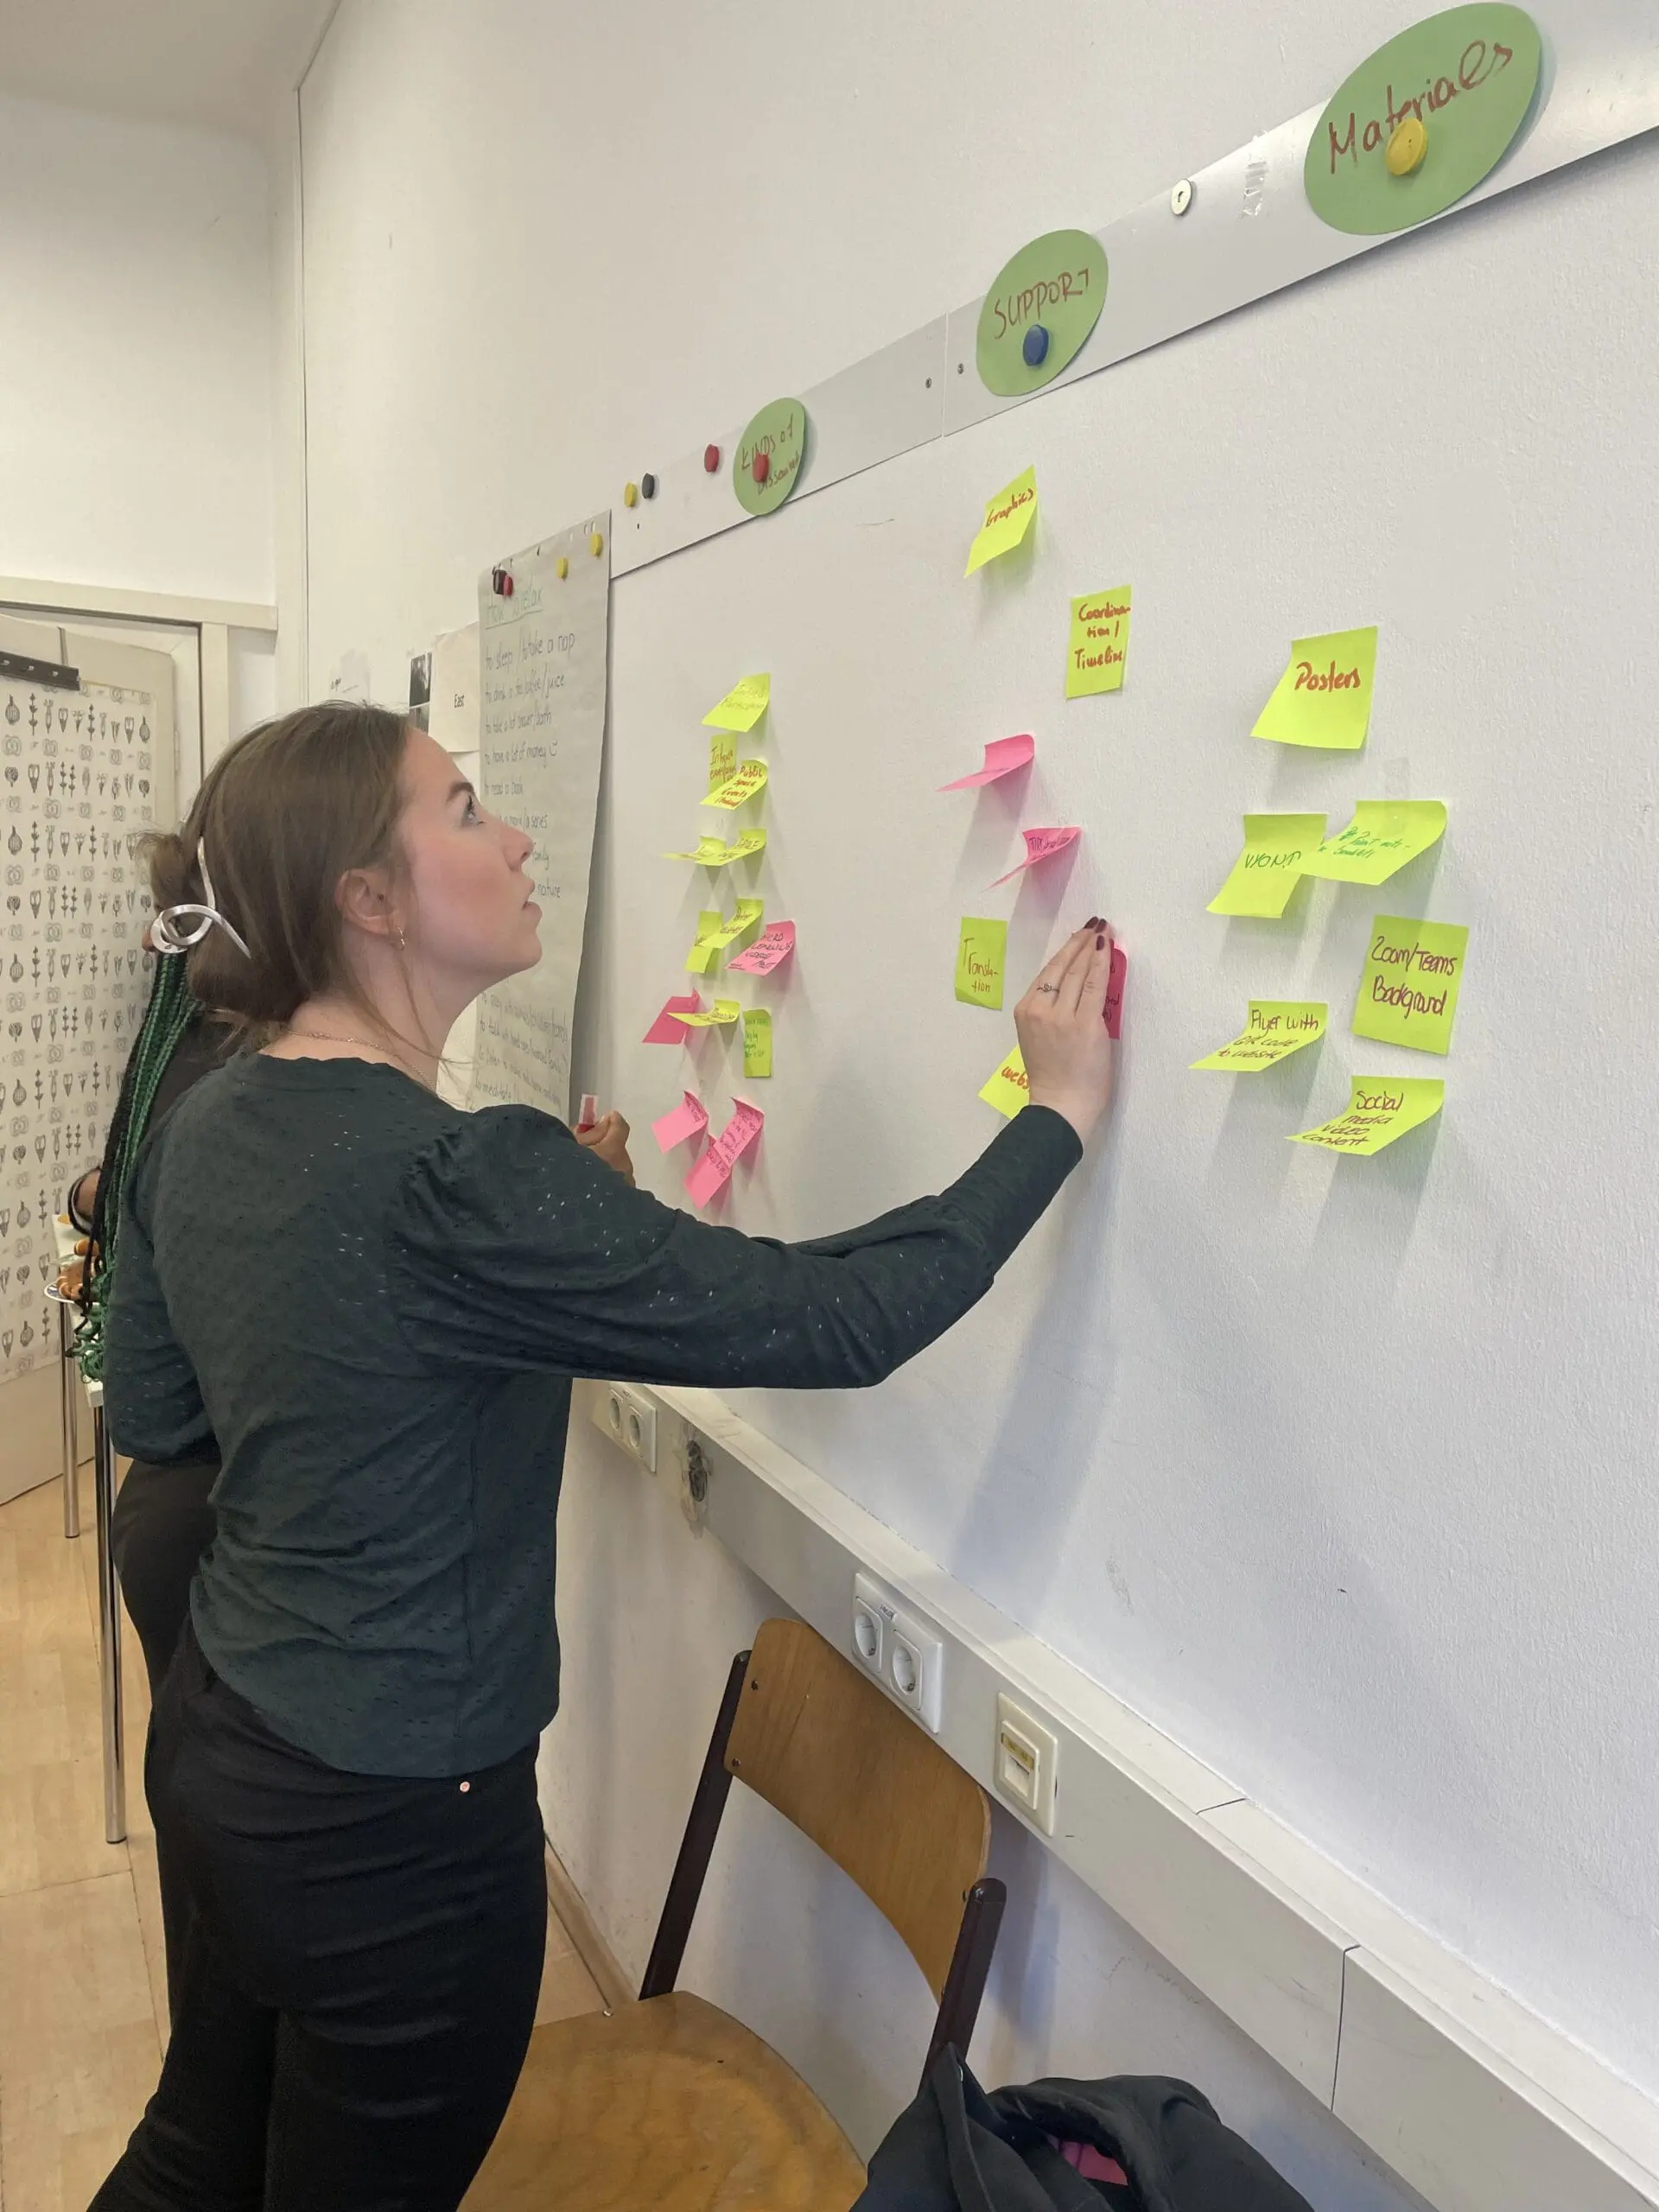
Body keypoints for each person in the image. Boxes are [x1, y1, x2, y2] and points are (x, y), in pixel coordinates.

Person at [91, 701, 1115, 2212]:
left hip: (222, 1751)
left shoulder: (211, 1117)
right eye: (463, 809)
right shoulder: (465, 1177)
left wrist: (490, 1286)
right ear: (369, 900)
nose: (515, 840)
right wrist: (1058, 1111)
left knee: (196, 2153)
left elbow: (159, 1415)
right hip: (398, 1836)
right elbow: (842, 1319)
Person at [63, 944, 232, 2024]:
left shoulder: (187, 1033)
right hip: (208, 1522)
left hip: (177, 1507)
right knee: (225, 1861)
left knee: (204, 1830)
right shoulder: (233, 1078)